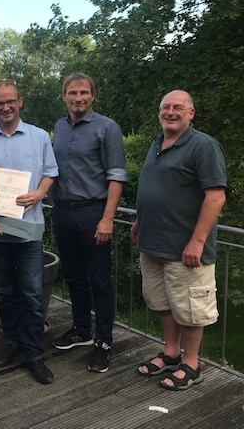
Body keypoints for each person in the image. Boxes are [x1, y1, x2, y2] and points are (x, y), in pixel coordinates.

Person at [130, 90, 226, 390]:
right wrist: (139, 221)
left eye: (177, 107)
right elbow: (155, 188)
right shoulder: (156, 143)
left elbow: (216, 196)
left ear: (191, 113)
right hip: (152, 243)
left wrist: (197, 241)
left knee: (190, 310)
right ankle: (171, 353)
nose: (170, 112)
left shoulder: (203, 146)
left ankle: (191, 363)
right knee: (162, 303)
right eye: (165, 107)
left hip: (185, 248)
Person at [0, 81, 58, 384]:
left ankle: (34, 353)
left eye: (10, 101)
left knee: (32, 294)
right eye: (0, 103)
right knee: (5, 292)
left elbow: (50, 173)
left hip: (26, 230)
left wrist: (39, 193)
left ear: (20, 102)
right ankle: (11, 342)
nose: (5, 107)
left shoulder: (39, 136)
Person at [51, 72, 127, 373]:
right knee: (73, 276)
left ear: (92, 95)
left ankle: (103, 342)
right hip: (63, 211)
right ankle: (82, 330)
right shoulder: (59, 127)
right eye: (72, 93)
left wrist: (107, 218)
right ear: (64, 96)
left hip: (93, 212)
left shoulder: (107, 127)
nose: (78, 98)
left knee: (99, 281)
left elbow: (117, 175)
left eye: (83, 92)